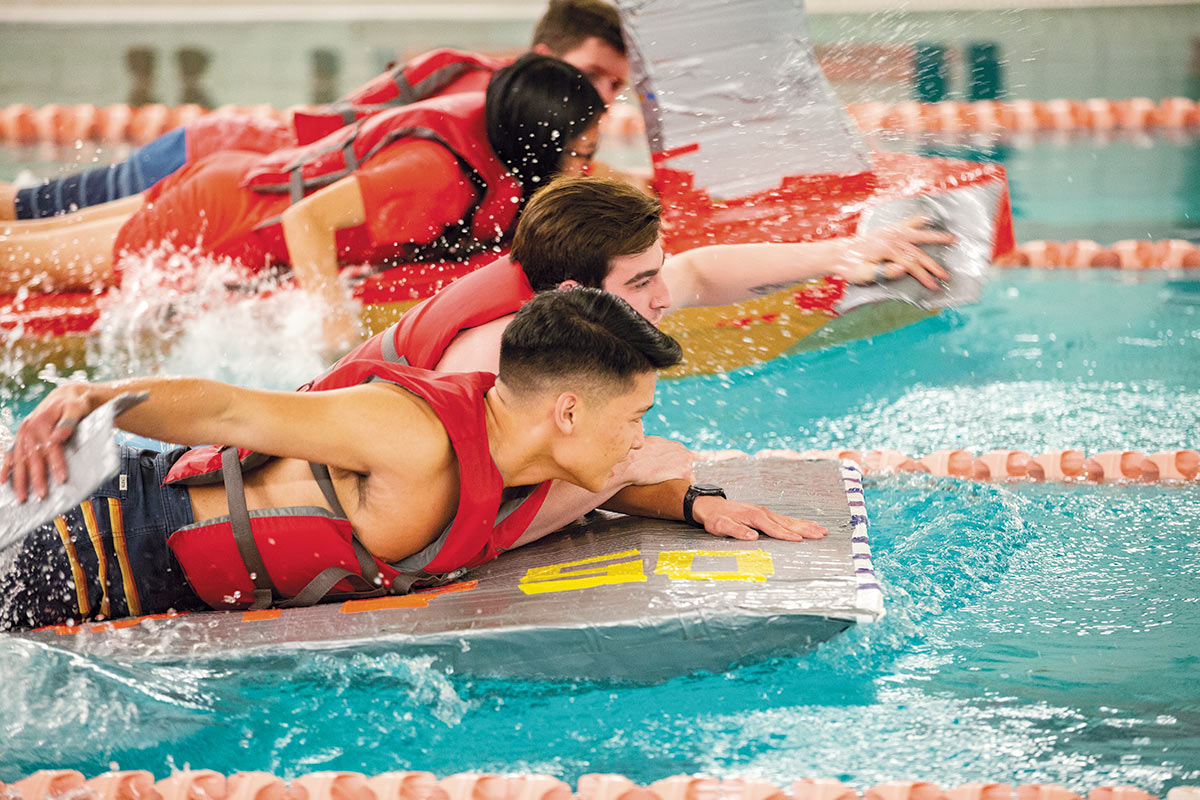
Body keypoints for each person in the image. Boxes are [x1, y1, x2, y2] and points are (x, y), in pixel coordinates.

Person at [0, 289, 826, 632]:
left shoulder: (523, 448)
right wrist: (87, 391)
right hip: (92, 535)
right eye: (635, 415)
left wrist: (695, 504)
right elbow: (227, 408)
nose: (640, 435)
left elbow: (617, 478)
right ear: (568, 410)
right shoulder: (414, 435)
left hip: (134, 575)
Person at [298, 174, 954, 539]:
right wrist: (634, 474)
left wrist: (841, 256)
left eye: (656, 272)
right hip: (312, 497)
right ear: (571, 294)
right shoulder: (488, 362)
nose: (666, 298)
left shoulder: (555, 303)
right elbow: (457, 526)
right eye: (641, 283)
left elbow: (698, 274)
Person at [0, 55, 605, 349]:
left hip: (232, 190)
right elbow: (306, 218)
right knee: (19, 263)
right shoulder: (434, 174)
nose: (586, 166)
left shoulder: (493, 135)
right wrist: (331, 316)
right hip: (220, 226)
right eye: (580, 154)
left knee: (25, 240)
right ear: (536, 145)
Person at [0, 0, 630, 220]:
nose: (603, 98)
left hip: (247, 167)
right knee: (44, 212)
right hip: (232, 163)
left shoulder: (503, 119)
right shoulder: (469, 97)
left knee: (52, 212)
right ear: (546, 57)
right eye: (594, 75)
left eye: (616, 85)